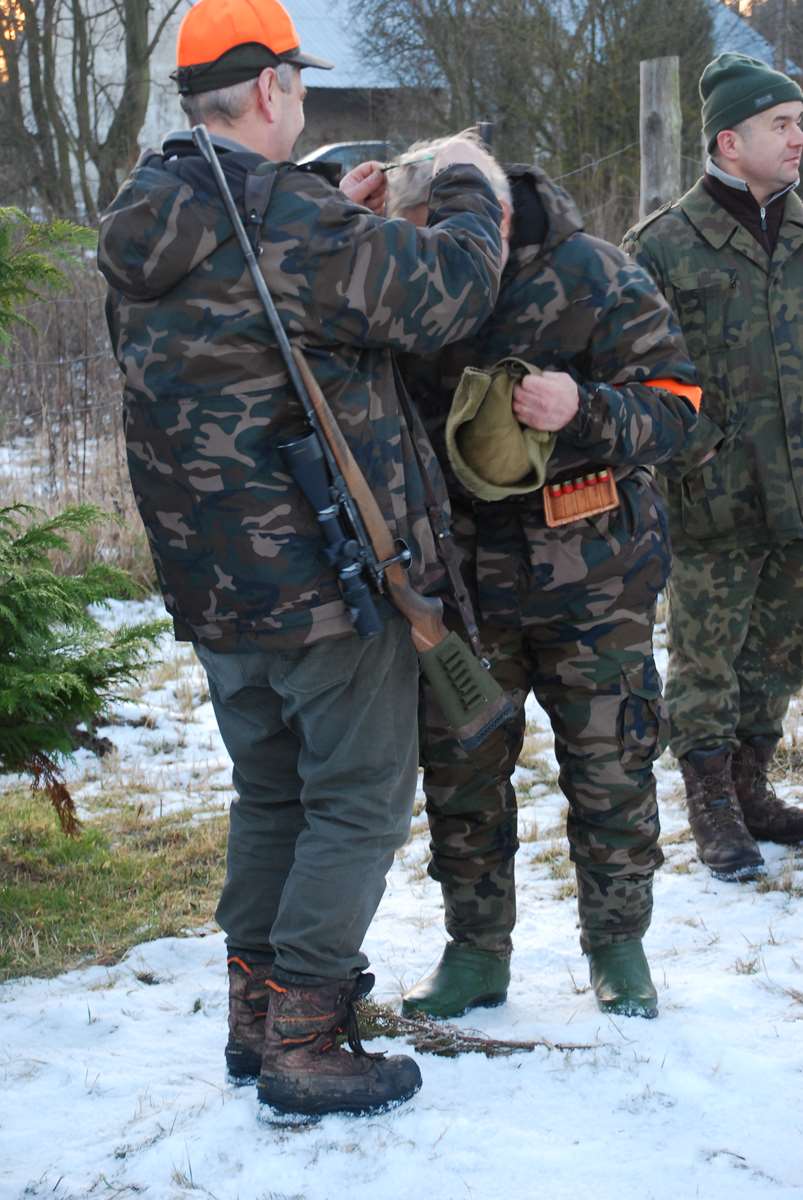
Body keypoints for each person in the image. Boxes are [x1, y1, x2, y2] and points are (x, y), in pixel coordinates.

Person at [97, 0, 506, 1120]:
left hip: (211, 582)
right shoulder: (288, 221)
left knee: (270, 792)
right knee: (357, 803)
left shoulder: (147, 214)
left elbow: (255, 299)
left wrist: (328, 204)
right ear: (273, 89)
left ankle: (253, 1018)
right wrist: (466, 183)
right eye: (299, 83)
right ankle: (308, 1040)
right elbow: (453, 291)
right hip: (327, 582)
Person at [384, 133, 702, 1021]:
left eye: (443, 225)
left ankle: (618, 948)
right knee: (460, 775)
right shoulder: (411, 280)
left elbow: (681, 409)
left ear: (490, 211)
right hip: (457, 583)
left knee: (611, 766)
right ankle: (475, 952)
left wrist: (583, 408)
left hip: (594, 580)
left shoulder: (595, 273)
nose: (435, 248)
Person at [622, 53, 803, 883]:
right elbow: (633, 372)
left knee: (778, 651)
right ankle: (710, 803)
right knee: (706, 657)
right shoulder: (661, 246)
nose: (797, 138)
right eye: (781, 124)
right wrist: (700, 453)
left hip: (798, 493)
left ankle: (751, 788)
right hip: (711, 498)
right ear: (729, 141)